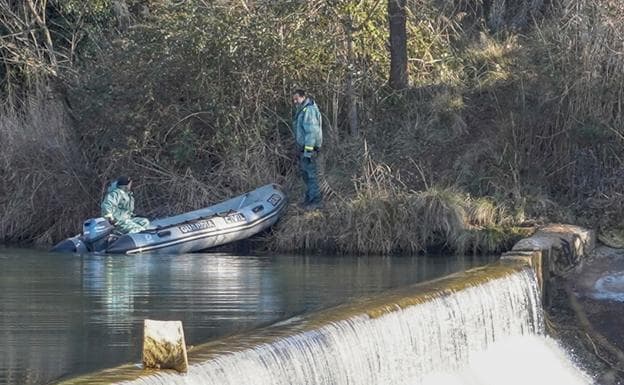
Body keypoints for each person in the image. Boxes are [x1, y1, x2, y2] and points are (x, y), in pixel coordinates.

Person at [292, 89, 323, 209]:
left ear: (303, 97)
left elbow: (311, 132)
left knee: (311, 175)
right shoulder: (302, 109)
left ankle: (316, 201)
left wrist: (308, 152)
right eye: (293, 99)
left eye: (296, 98)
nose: (295, 101)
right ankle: (309, 199)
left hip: (309, 150)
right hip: (303, 149)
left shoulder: (309, 110)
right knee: (305, 174)